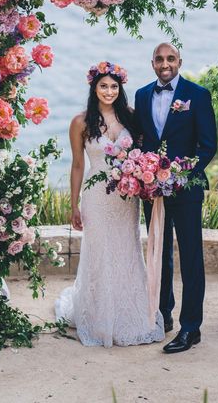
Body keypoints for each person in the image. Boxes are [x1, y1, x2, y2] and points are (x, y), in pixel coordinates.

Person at [55, 61, 164, 347]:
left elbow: (142, 153)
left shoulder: (130, 116)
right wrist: (74, 204)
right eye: (103, 85)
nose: (109, 91)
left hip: (126, 197)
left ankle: (131, 314)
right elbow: (78, 165)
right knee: (100, 252)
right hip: (96, 197)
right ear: (94, 87)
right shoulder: (80, 122)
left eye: (114, 86)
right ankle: (99, 316)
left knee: (126, 250)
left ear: (120, 88)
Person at [135, 43, 217, 354]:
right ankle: (163, 314)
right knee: (159, 252)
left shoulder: (197, 95)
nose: (165, 63)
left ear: (180, 61)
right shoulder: (142, 95)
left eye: (170, 58)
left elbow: (208, 145)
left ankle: (191, 327)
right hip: (152, 190)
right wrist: (141, 171)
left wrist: (183, 174)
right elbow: (141, 140)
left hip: (186, 189)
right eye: (160, 59)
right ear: (152, 63)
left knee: (191, 255)